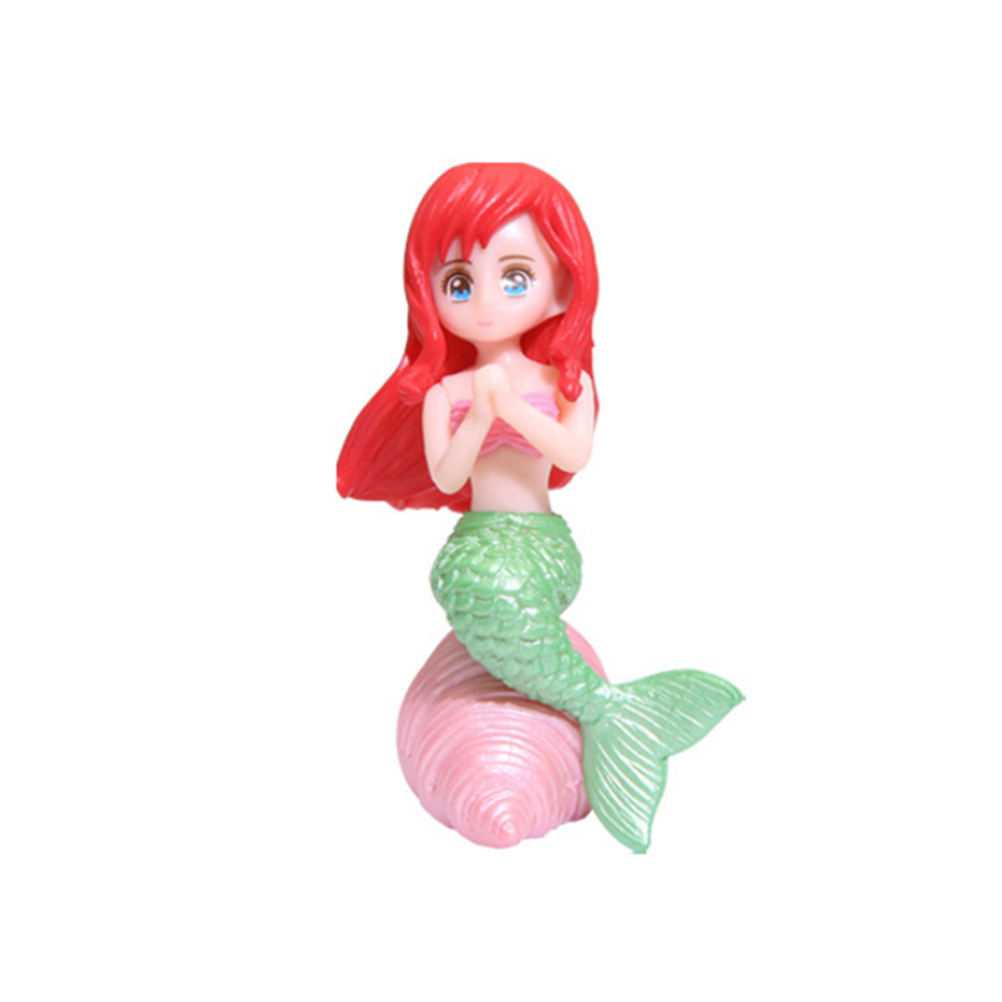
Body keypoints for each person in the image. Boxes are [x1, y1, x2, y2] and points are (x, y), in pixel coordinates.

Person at [339, 163, 742, 852]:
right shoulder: (446, 394)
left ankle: (596, 710)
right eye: (458, 283)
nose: (484, 303)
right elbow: (447, 474)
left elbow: (571, 455)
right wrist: (477, 415)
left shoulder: (565, 384)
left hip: (540, 542)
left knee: (495, 591)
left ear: (562, 288)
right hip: (477, 538)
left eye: (515, 278)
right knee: (468, 582)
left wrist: (512, 410)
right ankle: (596, 708)